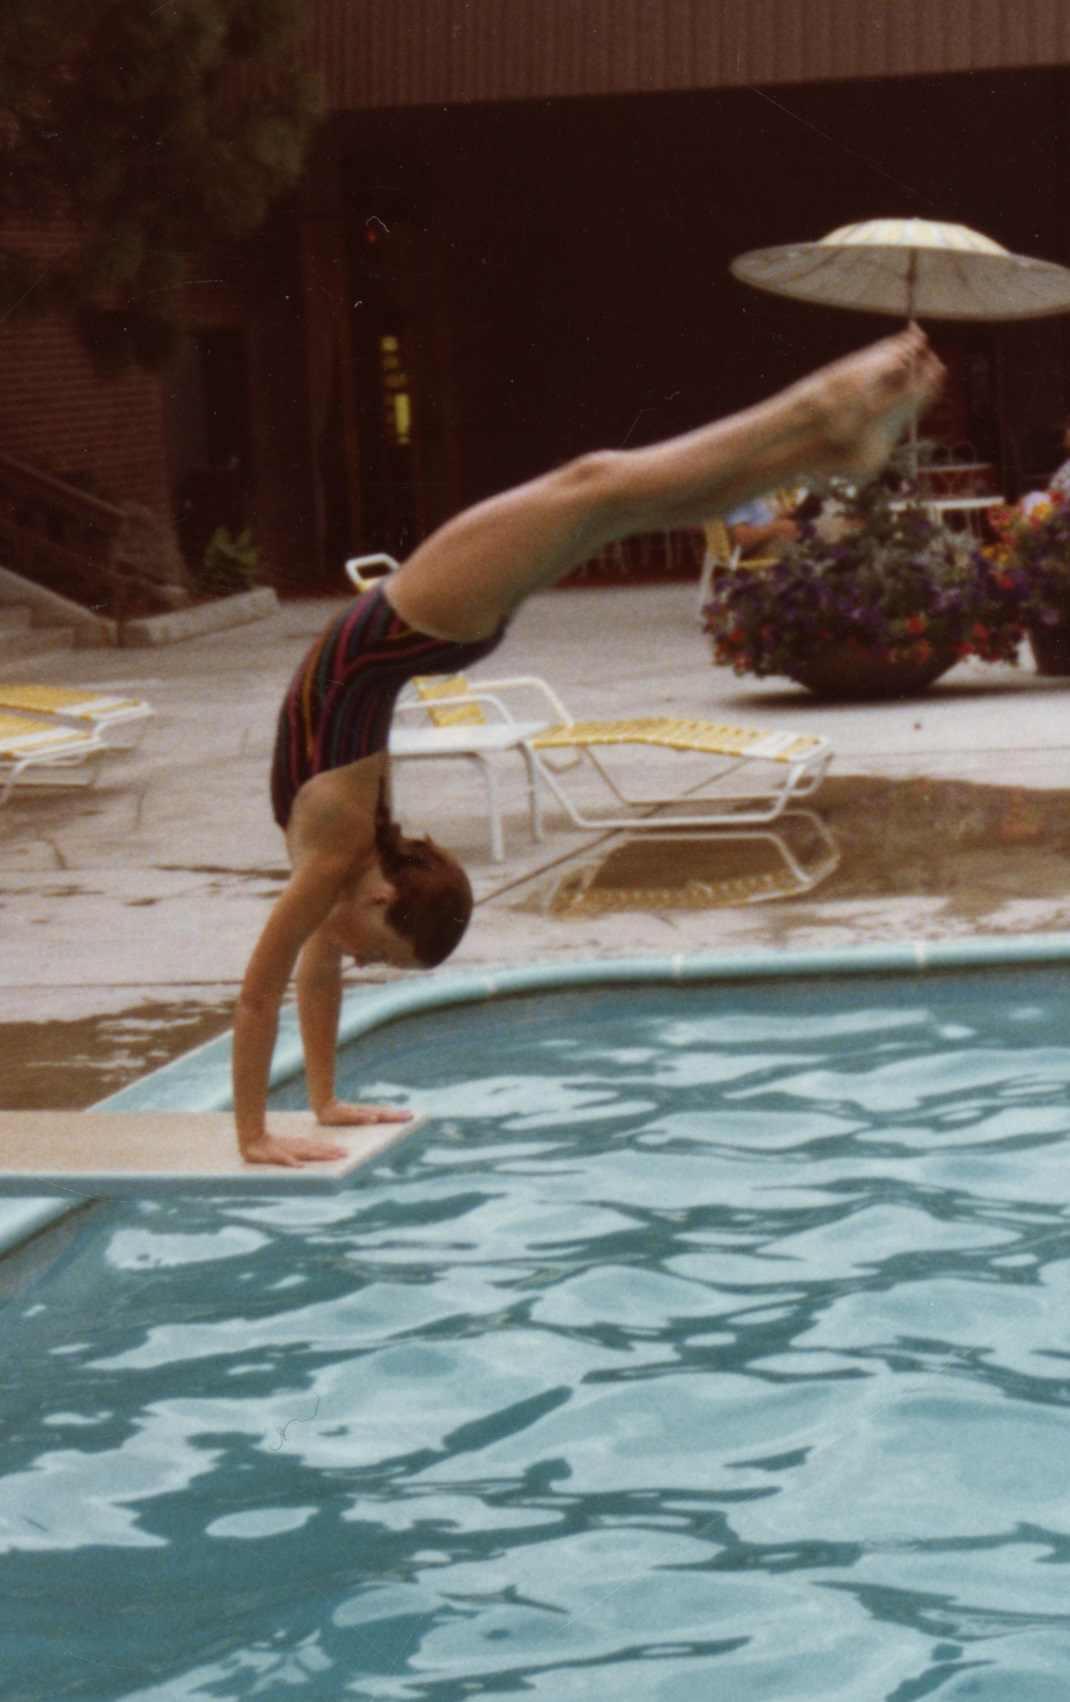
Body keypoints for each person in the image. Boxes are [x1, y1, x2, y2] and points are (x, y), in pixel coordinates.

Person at [235, 327, 945, 1165]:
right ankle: (821, 424)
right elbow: (303, 975)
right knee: (607, 491)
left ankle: (825, 427)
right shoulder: (344, 857)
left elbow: (263, 993)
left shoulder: (338, 858)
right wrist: (296, 1111)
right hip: (427, 625)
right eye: (379, 961)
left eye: (374, 960)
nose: (358, 961)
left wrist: (275, 1125)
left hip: (424, 622)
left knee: (614, 492)